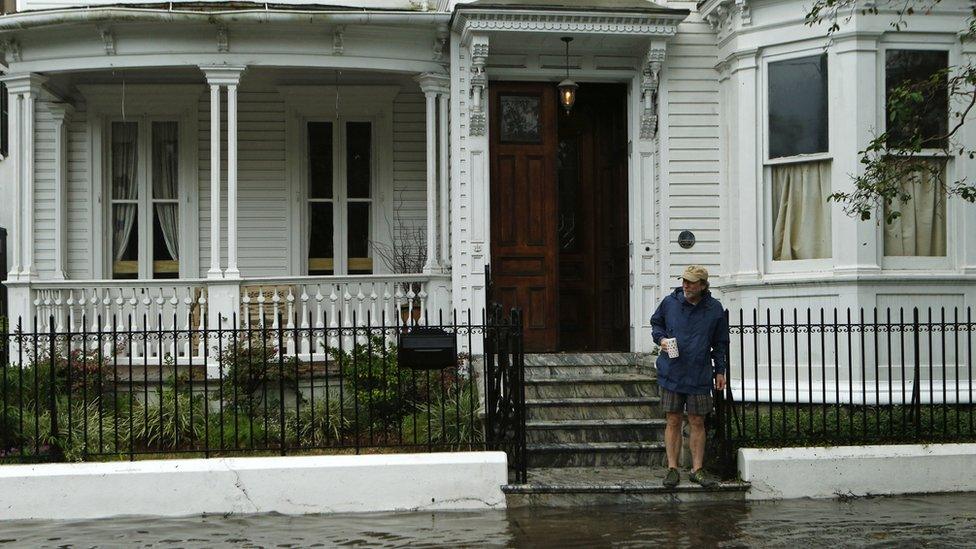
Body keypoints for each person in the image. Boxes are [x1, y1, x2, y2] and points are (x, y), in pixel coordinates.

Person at [650, 265, 729, 488]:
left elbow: (720, 343)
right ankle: (672, 469)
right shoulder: (669, 302)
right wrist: (661, 340)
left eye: (691, 282)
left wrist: (720, 370)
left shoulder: (714, 309)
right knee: (673, 419)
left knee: (697, 420)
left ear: (703, 285)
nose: (686, 285)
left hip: (700, 373)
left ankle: (697, 469)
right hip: (671, 371)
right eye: (684, 280)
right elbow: (656, 323)